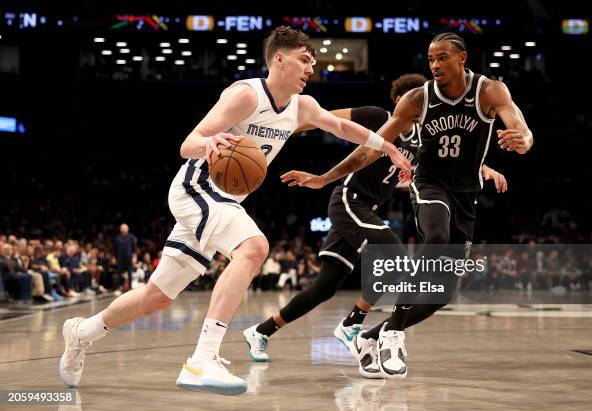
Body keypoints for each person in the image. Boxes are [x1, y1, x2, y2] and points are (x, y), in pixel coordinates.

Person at [58, 26, 411, 396]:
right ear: (279, 58)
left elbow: (340, 126)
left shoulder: (302, 107)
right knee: (254, 247)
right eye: (304, 59)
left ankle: (81, 333)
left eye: (313, 62)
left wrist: (387, 147)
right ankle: (203, 358)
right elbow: (187, 144)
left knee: (157, 296)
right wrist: (210, 142)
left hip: (223, 201)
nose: (311, 68)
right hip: (197, 188)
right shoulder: (246, 95)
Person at [264, 32, 533, 379]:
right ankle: (393, 333)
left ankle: (370, 336)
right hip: (429, 185)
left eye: (442, 58)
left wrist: (522, 141)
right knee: (435, 235)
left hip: (466, 196)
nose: (435, 64)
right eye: (431, 58)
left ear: (462, 58)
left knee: (439, 295)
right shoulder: (415, 101)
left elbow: (520, 127)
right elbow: (369, 149)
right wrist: (324, 177)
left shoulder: (490, 90)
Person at [113, 224, 138, 291]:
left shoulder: (131, 237)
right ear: (120, 229)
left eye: (125, 228)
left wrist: (134, 257)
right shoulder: (117, 237)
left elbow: (134, 248)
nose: (123, 229)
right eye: (122, 228)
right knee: (119, 273)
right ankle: (119, 287)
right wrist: (114, 257)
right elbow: (114, 248)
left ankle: (130, 287)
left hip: (129, 258)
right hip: (120, 258)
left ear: (127, 229)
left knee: (130, 273)